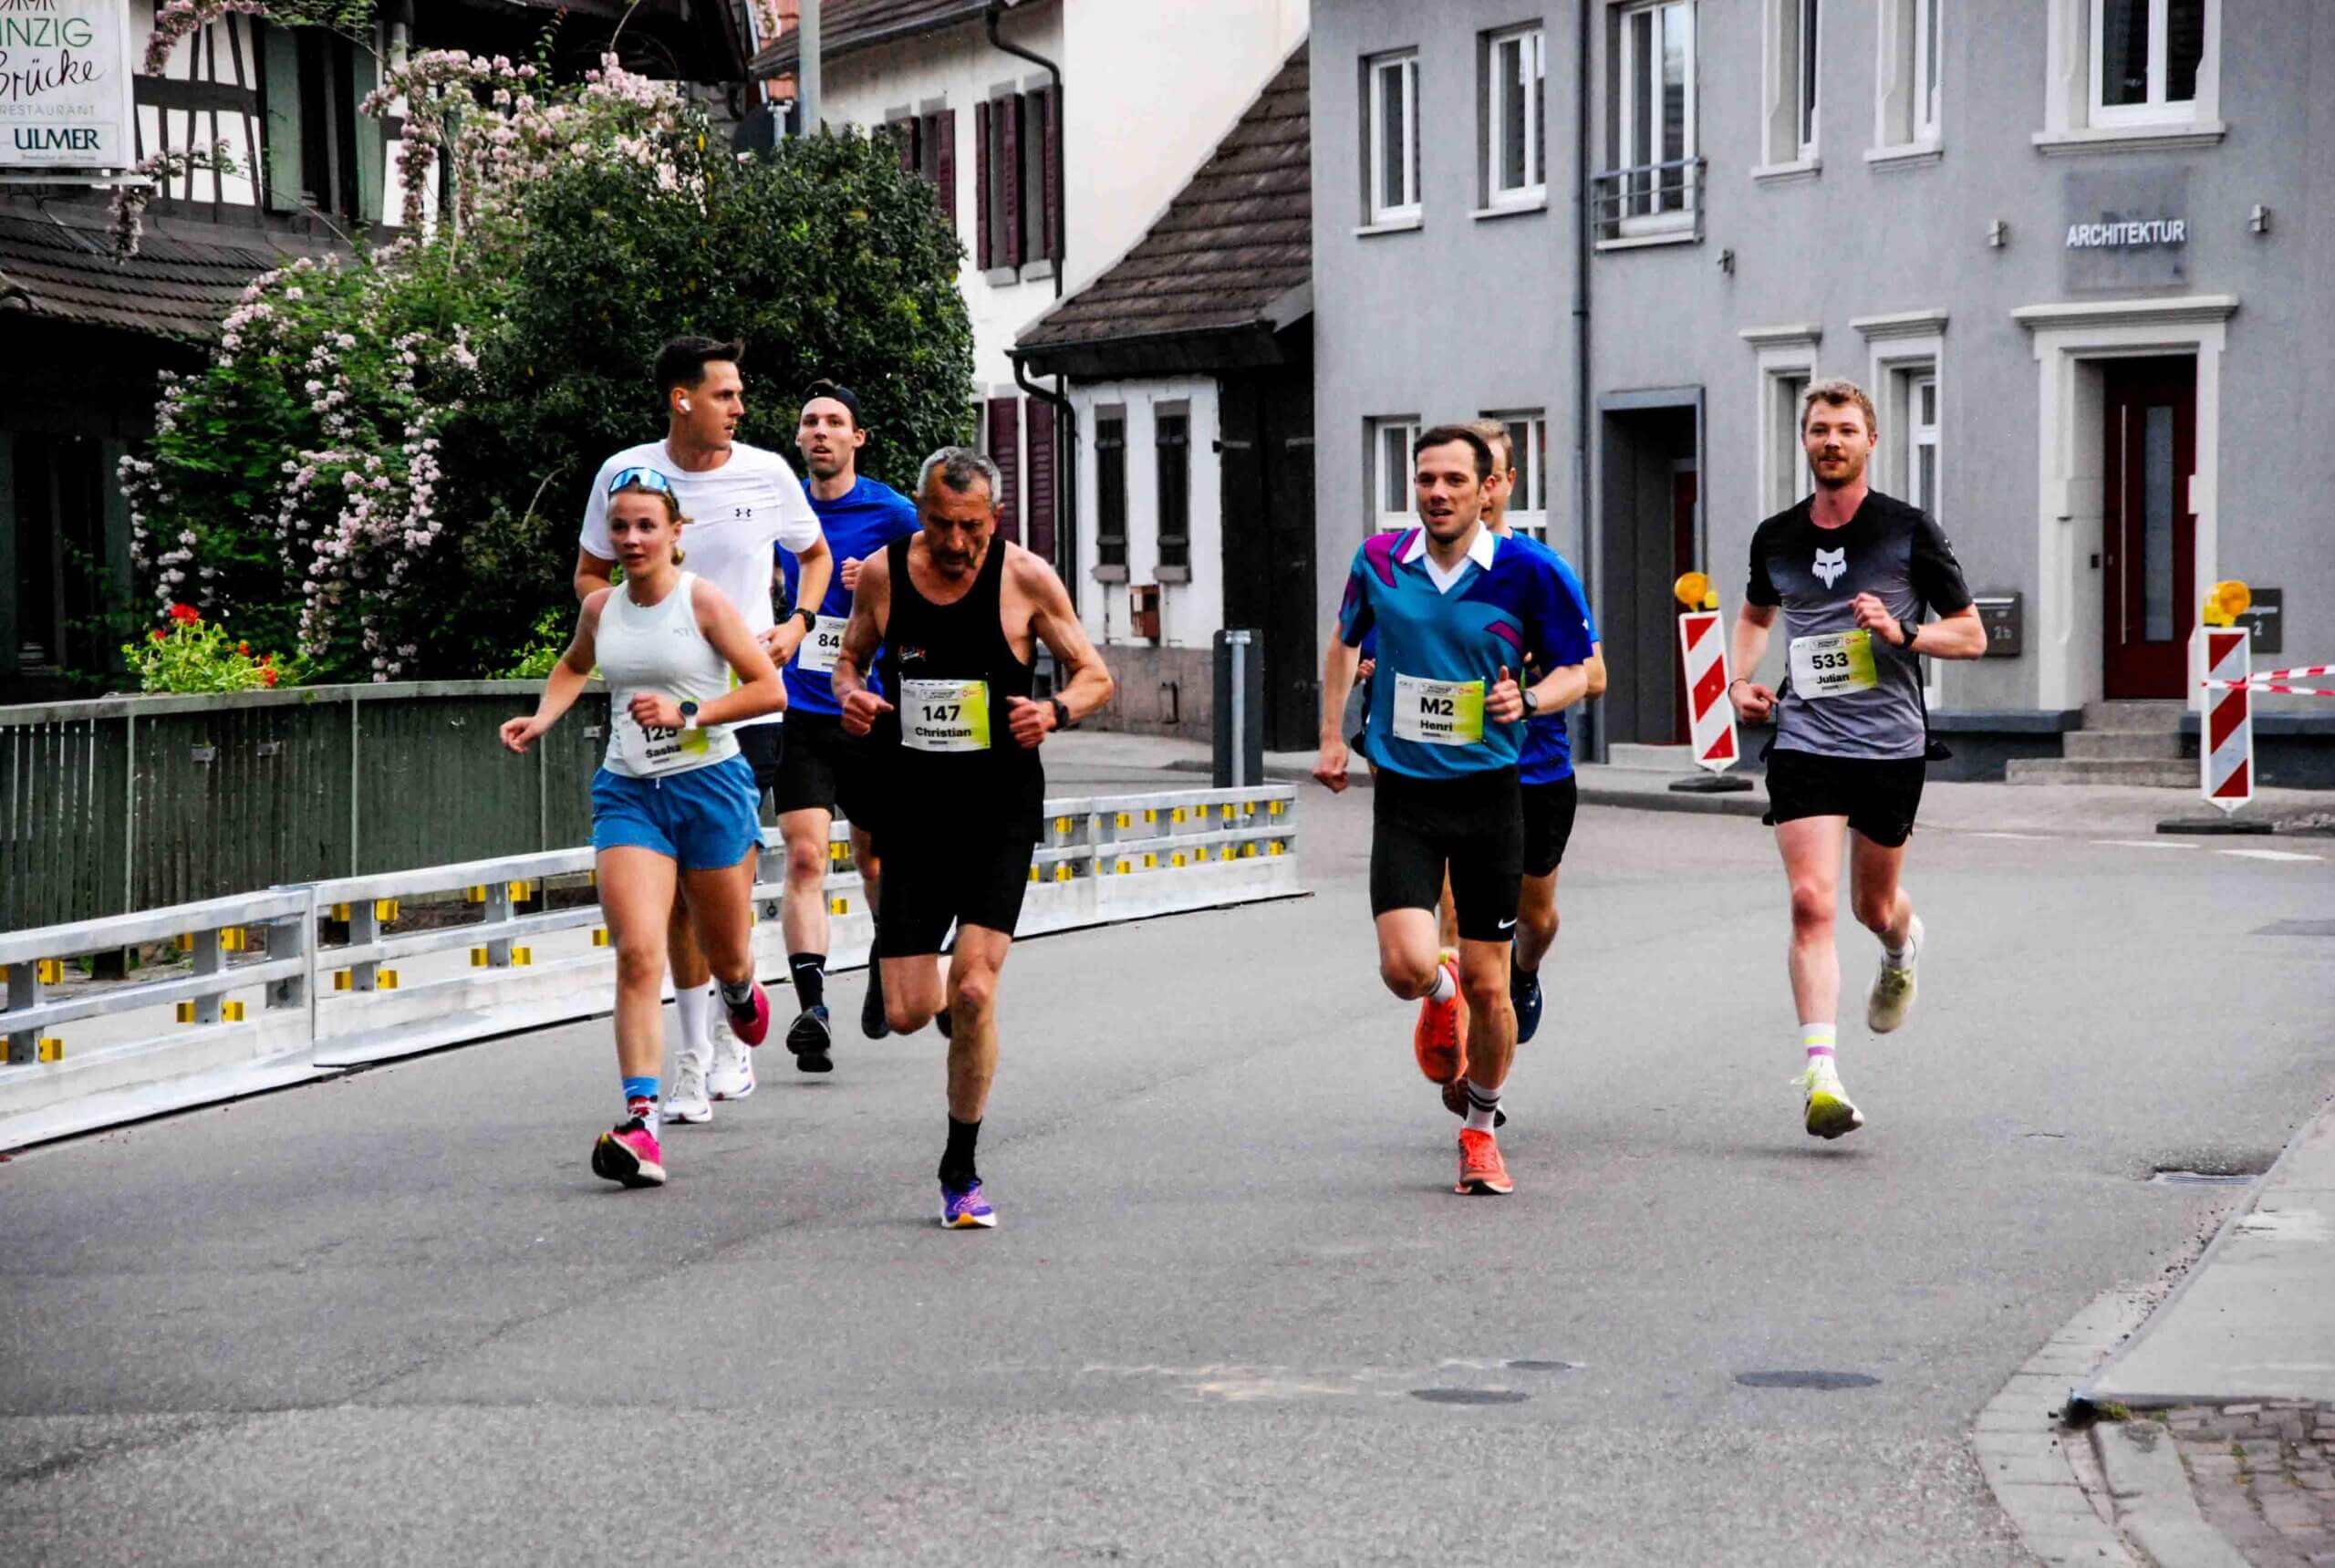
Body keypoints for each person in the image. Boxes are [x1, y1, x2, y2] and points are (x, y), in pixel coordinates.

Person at [832, 447, 1115, 1229]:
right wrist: (852, 695)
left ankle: (960, 1168)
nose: (956, 543)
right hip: (914, 807)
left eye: (972, 528)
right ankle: (908, 970)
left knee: (975, 991)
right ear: (921, 512)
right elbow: (849, 659)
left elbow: (1095, 673)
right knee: (908, 1013)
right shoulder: (885, 574)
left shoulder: (1025, 577)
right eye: (940, 524)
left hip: (999, 808)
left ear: (996, 518)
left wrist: (1053, 711)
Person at [1313, 426, 1595, 1198]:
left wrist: (1529, 699)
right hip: (1405, 792)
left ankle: (1480, 1128)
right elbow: (1343, 641)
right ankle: (1437, 1000)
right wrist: (1333, 736)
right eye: (1426, 479)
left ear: (1487, 489)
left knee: (1490, 986)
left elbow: (1580, 669)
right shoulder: (1379, 561)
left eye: (1454, 481)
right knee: (1406, 966)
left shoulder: (1529, 572)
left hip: (1490, 795)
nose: (1437, 493)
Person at [575, 337, 832, 1126]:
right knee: (674, 899)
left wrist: (798, 622)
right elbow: (589, 576)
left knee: (716, 887)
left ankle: (733, 1013)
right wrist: (633, 627)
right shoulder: (625, 474)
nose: (740, 408)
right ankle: (691, 1057)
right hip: (653, 710)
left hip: (742, 704)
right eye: (725, 394)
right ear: (681, 399)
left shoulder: (767, 472)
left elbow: (815, 555)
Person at [503, 468, 784, 1187]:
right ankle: (642, 1122)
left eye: (645, 526)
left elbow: (769, 688)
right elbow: (573, 665)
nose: (630, 539)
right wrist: (543, 716)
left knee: (726, 953)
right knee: (637, 951)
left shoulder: (703, 601)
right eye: (620, 526)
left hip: (711, 787)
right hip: (630, 792)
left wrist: (689, 713)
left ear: (675, 533)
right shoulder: (602, 608)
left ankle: (739, 991)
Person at [1727, 379, 1986, 1140]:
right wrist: (1739, 680)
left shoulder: (1908, 530)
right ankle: (1822, 1077)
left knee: (1872, 906)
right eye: (1818, 429)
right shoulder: (1776, 537)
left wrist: (1903, 632)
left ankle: (1901, 947)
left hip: (1890, 745)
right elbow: (1755, 613)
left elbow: (1971, 634)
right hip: (1805, 738)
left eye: (1844, 429)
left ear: (1871, 440)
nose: (1831, 441)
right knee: (1811, 902)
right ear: (1804, 440)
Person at [1444, 421, 1605, 1129]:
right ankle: (1474, 1081)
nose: (1471, 489)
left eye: (1486, 476)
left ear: (1504, 483)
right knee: (1458, 926)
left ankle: (1527, 971)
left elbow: (1595, 675)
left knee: (1532, 920)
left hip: (1535, 770)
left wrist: (1533, 690)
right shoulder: (1424, 570)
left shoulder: (1541, 569)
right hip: (1451, 770)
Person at [775, 380, 922, 1072]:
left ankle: (882, 958)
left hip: (871, 712)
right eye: (811, 422)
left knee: (874, 861)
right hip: (800, 711)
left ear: (857, 438)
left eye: (835, 422)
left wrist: (885, 581)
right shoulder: (781, 508)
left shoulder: (892, 512)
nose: (821, 432)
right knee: (805, 856)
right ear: (798, 437)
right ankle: (812, 1008)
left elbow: (936, 588)